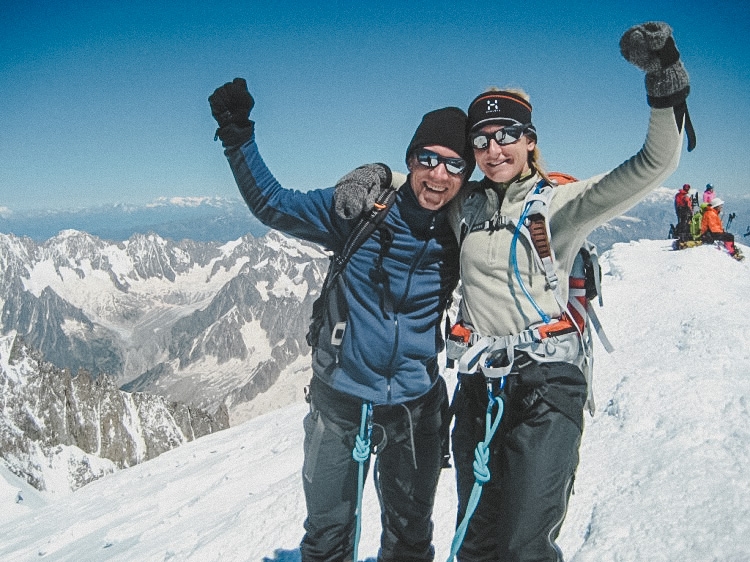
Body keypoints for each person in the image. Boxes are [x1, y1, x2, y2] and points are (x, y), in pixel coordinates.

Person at [334, 20, 694, 562]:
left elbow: (654, 164)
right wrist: (376, 174)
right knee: (476, 540)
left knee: (525, 544)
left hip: (548, 386)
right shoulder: (466, 206)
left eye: (506, 135)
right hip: (480, 385)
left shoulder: (561, 203)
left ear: (529, 140)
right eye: (481, 139)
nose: (493, 148)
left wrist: (663, 78)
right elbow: (427, 180)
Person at [208, 78, 474, 562]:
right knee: (328, 535)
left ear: (465, 175)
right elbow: (273, 204)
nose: (438, 175)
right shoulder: (359, 211)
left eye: (454, 165)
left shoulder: (463, 230)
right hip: (340, 401)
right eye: (427, 160)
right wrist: (237, 135)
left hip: (416, 407)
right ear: (411, 160)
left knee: (410, 536)